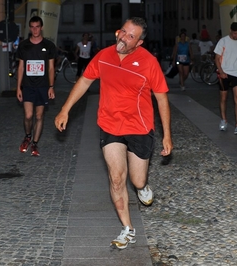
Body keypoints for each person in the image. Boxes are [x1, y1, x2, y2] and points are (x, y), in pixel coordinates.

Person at [54, 17, 173, 249]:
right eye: (123, 32)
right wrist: (65, 110)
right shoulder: (103, 56)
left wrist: (167, 134)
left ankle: (142, 187)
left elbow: (161, 98)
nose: (123, 37)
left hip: (139, 127)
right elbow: (84, 82)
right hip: (110, 125)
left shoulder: (148, 62)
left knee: (136, 179)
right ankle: (127, 229)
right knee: (116, 177)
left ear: (139, 42)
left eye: (131, 36)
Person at [16, 16, 56, 156]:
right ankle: (28, 136)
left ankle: (35, 144)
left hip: (42, 86)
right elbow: (20, 67)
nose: (35, 29)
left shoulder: (49, 46)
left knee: (39, 116)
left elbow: (51, 68)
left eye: (37, 26)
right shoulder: (24, 45)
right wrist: (18, 87)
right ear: (29, 28)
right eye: (32, 27)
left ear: (41, 27)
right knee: (28, 115)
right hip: (27, 85)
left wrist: (51, 86)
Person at [214, 22, 237, 135]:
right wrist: (221, 71)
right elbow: (217, 58)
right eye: (235, 33)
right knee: (223, 97)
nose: (236, 36)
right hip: (224, 73)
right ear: (230, 31)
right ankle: (223, 120)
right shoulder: (223, 41)